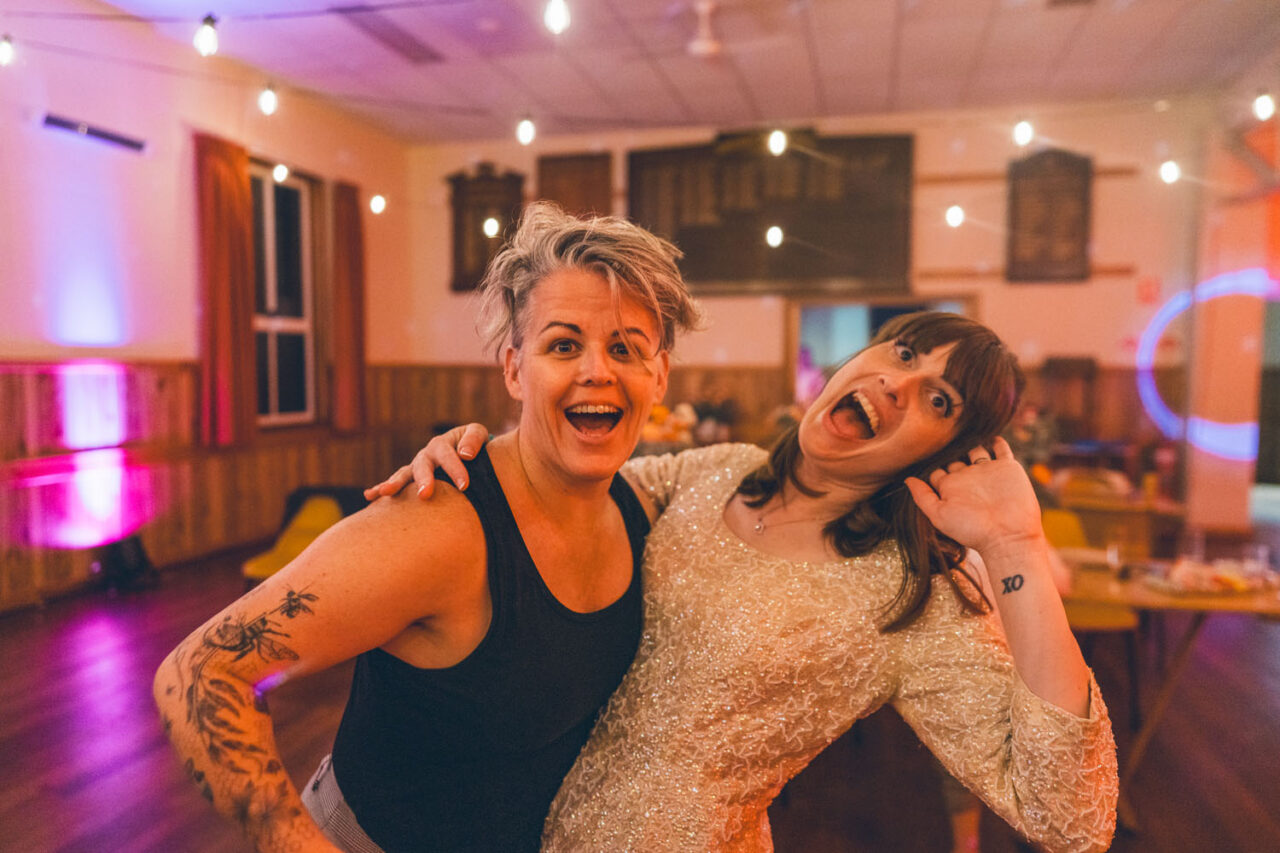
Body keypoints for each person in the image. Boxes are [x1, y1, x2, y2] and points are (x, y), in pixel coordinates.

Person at [372, 312, 1119, 853]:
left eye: (938, 400)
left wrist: (1015, 541)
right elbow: (551, 505)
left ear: (944, 450)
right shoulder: (710, 470)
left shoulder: (907, 596)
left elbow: (1071, 817)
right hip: (520, 823)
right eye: (904, 350)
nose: (897, 382)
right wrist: (474, 459)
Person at [152, 203, 700, 852]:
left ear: (658, 375)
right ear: (515, 368)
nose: (596, 370)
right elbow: (198, 673)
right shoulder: (440, 522)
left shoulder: (647, 509)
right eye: (562, 344)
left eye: (625, 348)